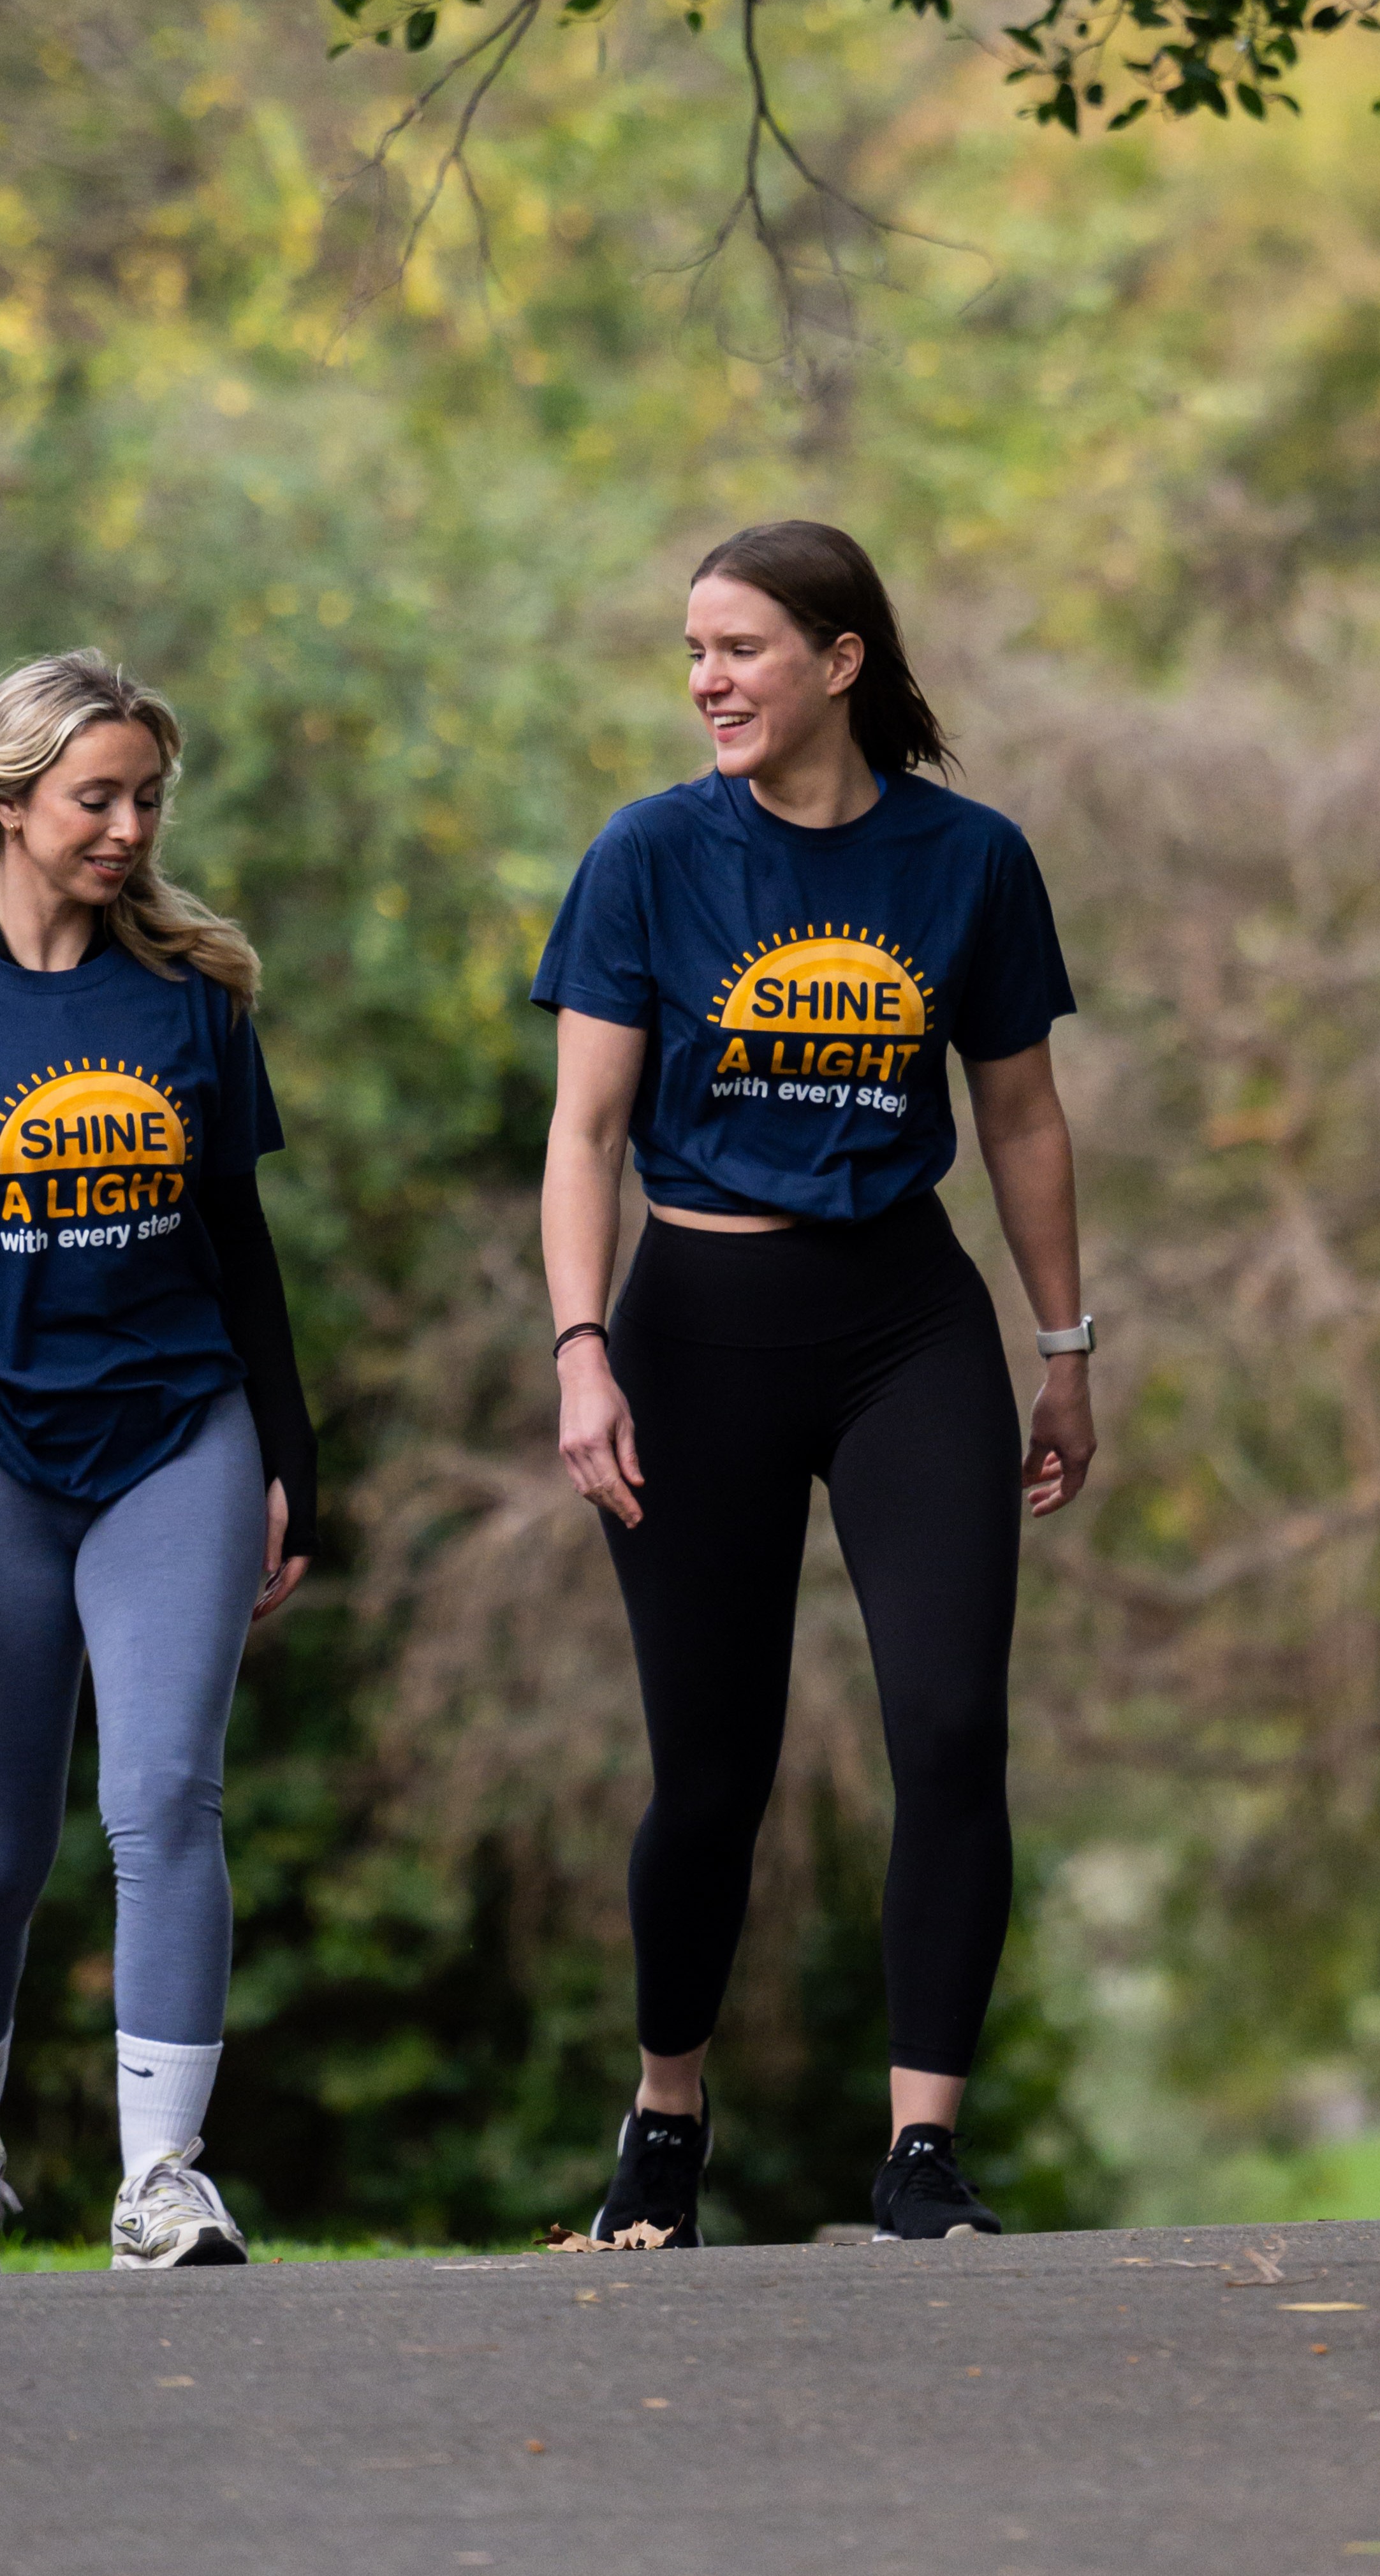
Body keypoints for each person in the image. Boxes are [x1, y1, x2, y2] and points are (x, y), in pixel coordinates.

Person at [532, 521, 1097, 2245]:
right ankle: (668, 2111)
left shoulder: (969, 861)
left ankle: (923, 2148)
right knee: (714, 1765)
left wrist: (1065, 1349)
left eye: (740, 649)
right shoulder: (648, 857)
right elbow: (584, 1133)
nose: (706, 680)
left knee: (947, 1720)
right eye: (691, 652)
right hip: (692, 1330)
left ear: (839, 662)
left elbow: (1018, 1117)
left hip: (901, 1322)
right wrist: (579, 1353)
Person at [0, 650, 317, 2278]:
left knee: (165, 1797)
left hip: (177, 1432)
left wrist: (292, 1457)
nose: (130, 827)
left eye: (149, 798)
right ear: (10, 796)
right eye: (100, 796)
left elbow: (239, 1241)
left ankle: (163, 2182)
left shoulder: (189, 997)